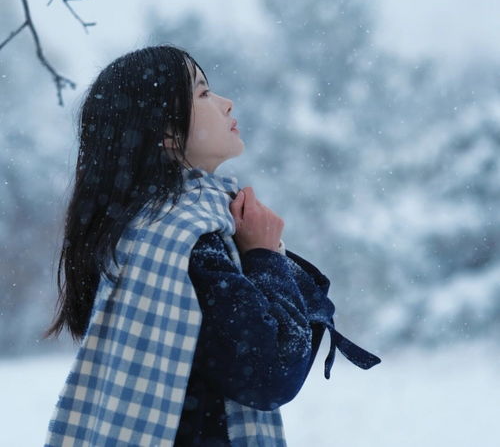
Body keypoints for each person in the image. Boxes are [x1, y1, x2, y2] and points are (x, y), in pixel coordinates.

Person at [43, 44, 381, 446]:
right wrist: (264, 256)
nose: (226, 103)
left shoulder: (145, 232)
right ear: (166, 135)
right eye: (202, 93)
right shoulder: (180, 241)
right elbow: (270, 373)